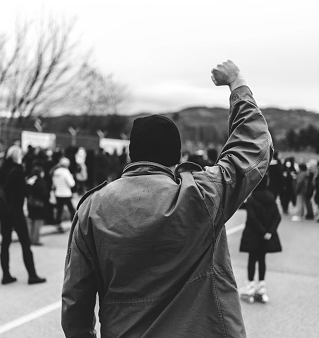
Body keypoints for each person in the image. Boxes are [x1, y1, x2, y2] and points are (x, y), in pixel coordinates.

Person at [62, 60, 272, 338]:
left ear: (131, 155)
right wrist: (237, 83)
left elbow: (76, 301)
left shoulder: (92, 208)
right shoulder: (201, 195)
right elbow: (252, 148)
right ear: (176, 158)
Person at [0, 145, 46, 285]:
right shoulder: (18, 171)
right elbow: (23, 192)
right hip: (16, 210)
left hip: (3, 210)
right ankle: (32, 275)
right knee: (25, 242)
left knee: (5, 242)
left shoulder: (0, 169)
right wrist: (28, 184)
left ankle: (6, 274)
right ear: (17, 156)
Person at [239, 175, 282, 303]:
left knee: (252, 259)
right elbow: (277, 216)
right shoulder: (271, 197)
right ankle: (261, 286)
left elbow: (252, 218)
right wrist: (269, 231)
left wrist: (262, 231)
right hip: (267, 236)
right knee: (262, 259)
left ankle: (250, 285)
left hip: (254, 235)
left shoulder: (252, 198)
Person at [26, 166, 49, 246]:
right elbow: (43, 193)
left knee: (31, 221)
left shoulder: (30, 180)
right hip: (39, 204)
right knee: (37, 222)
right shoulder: (40, 181)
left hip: (30, 203)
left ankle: (29, 238)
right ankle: (35, 239)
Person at [52, 157, 76, 228]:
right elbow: (72, 184)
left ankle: (58, 223)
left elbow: (54, 183)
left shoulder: (55, 172)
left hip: (58, 193)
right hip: (66, 193)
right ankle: (74, 223)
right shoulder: (66, 172)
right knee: (72, 210)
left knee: (59, 210)